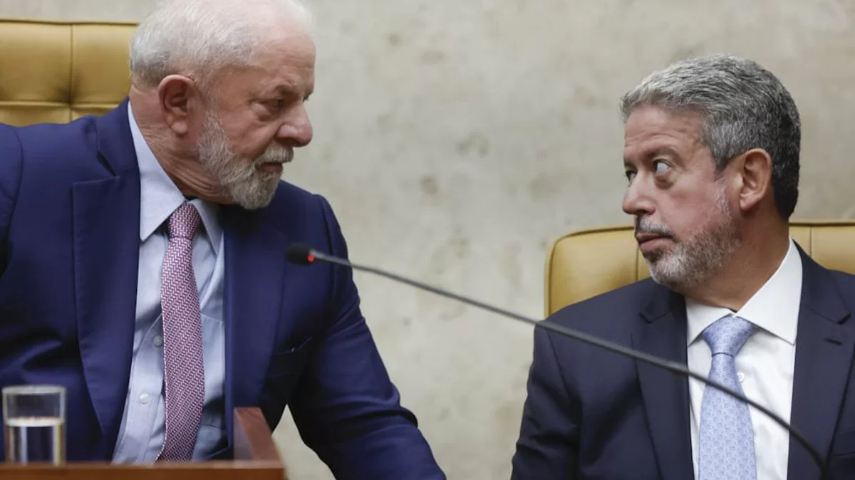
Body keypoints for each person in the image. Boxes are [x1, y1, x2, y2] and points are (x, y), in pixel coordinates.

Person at [0, 0, 445, 478]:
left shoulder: (303, 229)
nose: (303, 131)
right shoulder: (18, 178)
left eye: (303, 101)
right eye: (276, 104)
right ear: (178, 103)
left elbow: (364, 426)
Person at [511, 54, 855, 480]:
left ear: (749, 179)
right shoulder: (576, 350)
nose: (631, 201)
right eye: (631, 173)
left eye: (661, 167)